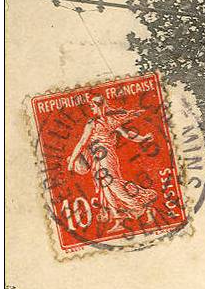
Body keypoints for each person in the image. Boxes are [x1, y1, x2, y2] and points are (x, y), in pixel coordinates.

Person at [67, 94, 159, 233]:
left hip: (106, 156)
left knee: (113, 185)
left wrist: (143, 138)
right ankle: (119, 220)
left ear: (99, 106)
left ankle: (142, 205)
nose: (91, 109)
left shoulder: (96, 122)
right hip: (97, 158)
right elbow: (128, 135)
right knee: (106, 189)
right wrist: (143, 138)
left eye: (92, 106)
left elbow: (82, 143)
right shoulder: (107, 121)